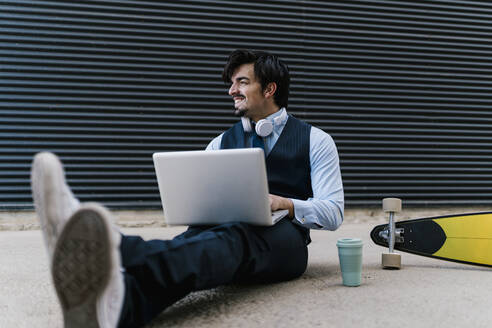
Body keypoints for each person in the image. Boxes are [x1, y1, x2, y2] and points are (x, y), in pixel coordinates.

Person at [30, 49, 344, 328]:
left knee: (233, 238)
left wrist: (285, 203)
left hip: (285, 242)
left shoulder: (316, 140)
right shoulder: (219, 142)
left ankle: (120, 249)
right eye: (231, 83)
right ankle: (118, 309)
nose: (232, 90)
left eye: (242, 82)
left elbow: (333, 212)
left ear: (270, 88)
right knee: (193, 246)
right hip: (222, 232)